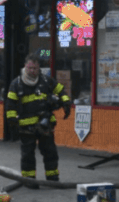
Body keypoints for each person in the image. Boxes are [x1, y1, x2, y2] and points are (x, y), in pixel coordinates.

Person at [5, 54, 71, 186]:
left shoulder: (46, 81)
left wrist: (66, 103)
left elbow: (61, 91)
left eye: (35, 68)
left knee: (50, 152)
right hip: (26, 127)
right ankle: (29, 181)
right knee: (28, 155)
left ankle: (53, 179)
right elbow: (10, 105)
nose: (32, 71)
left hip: (45, 125)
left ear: (39, 67)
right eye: (30, 68)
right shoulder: (16, 84)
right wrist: (12, 122)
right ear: (25, 66)